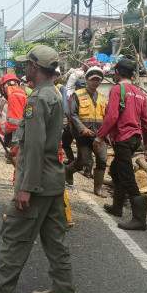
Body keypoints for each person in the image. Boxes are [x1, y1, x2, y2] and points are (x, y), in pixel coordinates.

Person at [0, 45, 75, 293]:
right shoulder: (54, 94)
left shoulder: (38, 99)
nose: (23, 68)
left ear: (35, 68)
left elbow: (34, 147)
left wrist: (25, 188)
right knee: (54, 240)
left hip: (36, 184)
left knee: (15, 237)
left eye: (26, 64)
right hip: (52, 181)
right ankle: (63, 292)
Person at [95, 58, 147, 230]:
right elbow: (146, 122)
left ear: (118, 72)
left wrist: (99, 137)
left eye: (115, 72)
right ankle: (117, 207)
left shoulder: (117, 89)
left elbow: (112, 116)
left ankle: (139, 220)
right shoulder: (139, 93)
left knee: (127, 176)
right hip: (135, 139)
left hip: (123, 139)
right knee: (115, 169)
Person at [65, 67, 108, 196]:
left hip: (99, 134)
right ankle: (68, 170)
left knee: (102, 159)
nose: (96, 82)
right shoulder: (77, 95)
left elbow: (106, 117)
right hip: (83, 134)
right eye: (93, 79)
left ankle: (98, 188)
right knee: (84, 160)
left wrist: (107, 134)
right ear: (87, 80)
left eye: (98, 80)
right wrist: (82, 128)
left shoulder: (102, 97)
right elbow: (72, 114)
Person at [0, 74, 27, 149]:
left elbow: (15, 123)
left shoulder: (14, 97)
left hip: (21, 134)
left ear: (4, 87)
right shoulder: (21, 94)